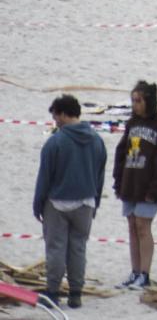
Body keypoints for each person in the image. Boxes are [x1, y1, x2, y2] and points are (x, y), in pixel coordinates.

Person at [34, 93, 107, 310]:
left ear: (64, 114)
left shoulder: (55, 142)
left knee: (55, 248)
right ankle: (76, 294)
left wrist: (37, 204)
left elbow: (44, 177)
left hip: (57, 203)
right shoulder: (97, 141)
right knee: (78, 248)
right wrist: (96, 202)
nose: (55, 121)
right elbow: (100, 175)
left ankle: (53, 293)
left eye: (56, 116)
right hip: (86, 202)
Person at [115, 80, 157, 291]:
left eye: (138, 100)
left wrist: (156, 189)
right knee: (131, 226)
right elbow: (121, 153)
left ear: (148, 101)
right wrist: (118, 181)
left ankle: (145, 274)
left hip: (149, 186)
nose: (134, 104)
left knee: (142, 227)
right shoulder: (131, 124)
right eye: (132, 100)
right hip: (130, 183)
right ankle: (135, 271)